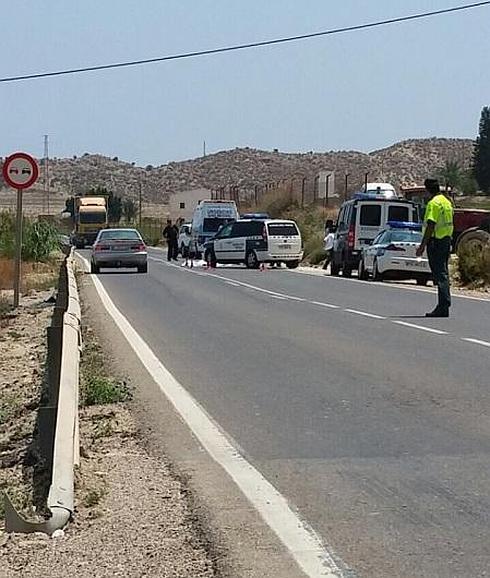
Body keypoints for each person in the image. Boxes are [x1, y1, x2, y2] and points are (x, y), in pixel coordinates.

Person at [416, 178, 454, 317]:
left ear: (427, 190)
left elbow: (431, 225)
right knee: (443, 272)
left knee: (440, 274)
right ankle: (444, 304)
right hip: (446, 240)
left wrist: (422, 246)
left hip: (436, 241)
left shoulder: (434, 203)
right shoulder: (447, 202)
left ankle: (443, 305)